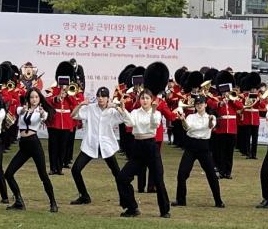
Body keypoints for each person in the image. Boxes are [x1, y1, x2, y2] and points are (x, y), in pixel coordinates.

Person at [116, 89, 171, 218]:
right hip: (138, 147)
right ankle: (132, 208)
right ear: (139, 100)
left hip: (151, 146)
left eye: (147, 98)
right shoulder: (135, 112)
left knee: (158, 179)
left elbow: (154, 124)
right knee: (122, 178)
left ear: (151, 100)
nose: (144, 100)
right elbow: (130, 123)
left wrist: (152, 111)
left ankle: (164, 210)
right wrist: (123, 110)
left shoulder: (156, 113)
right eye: (142, 98)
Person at [4, 88, 58, 212]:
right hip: (23, 145)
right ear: (28, 98)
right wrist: (24, 109)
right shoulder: (22, 109)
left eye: (36, 97)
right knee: (8, 173)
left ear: (39, 99)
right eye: (32, 97)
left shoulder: (40, 111)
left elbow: (45, 116)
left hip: (34, 144)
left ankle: (53, 202)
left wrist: (42, 112)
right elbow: (18, 111)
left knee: (43, 175)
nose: (34, 99)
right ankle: (19, 201)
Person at [69, 86, 124, 205]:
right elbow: (73, 115)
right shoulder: (90, 108)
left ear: (108, 98)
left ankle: (124, 198)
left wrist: (115, 106)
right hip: (91, 144)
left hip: (106, 146)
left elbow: (124, 117)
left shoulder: (112, 111)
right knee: (75, 170)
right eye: (99, 96)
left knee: (117, 173)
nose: (100, 99)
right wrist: (81, 105)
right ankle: (84, 196)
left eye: (103, 96)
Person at [171, 95, 224, 208]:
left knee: (211, 175)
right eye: (197, 103)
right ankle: (181, 200)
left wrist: (210, 121)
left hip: (204, 147)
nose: (199, 105)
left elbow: (211, 126)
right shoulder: (190, 116)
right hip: (191, 146)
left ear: (205, 105)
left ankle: (218, 201)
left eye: (201, 103)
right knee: (182, 173)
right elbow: (186, 128)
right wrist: (183, 120)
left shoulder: (211, 117)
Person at [46, 80, 78, 175]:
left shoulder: (70, 91)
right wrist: (57, 97)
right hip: (54, 123)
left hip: (66, 123)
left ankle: (59, 168)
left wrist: (68, 95)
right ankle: (53, 168)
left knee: (63, 147)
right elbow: (47, 101)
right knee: (53, 147)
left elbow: (75, 105)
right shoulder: (53, 89)